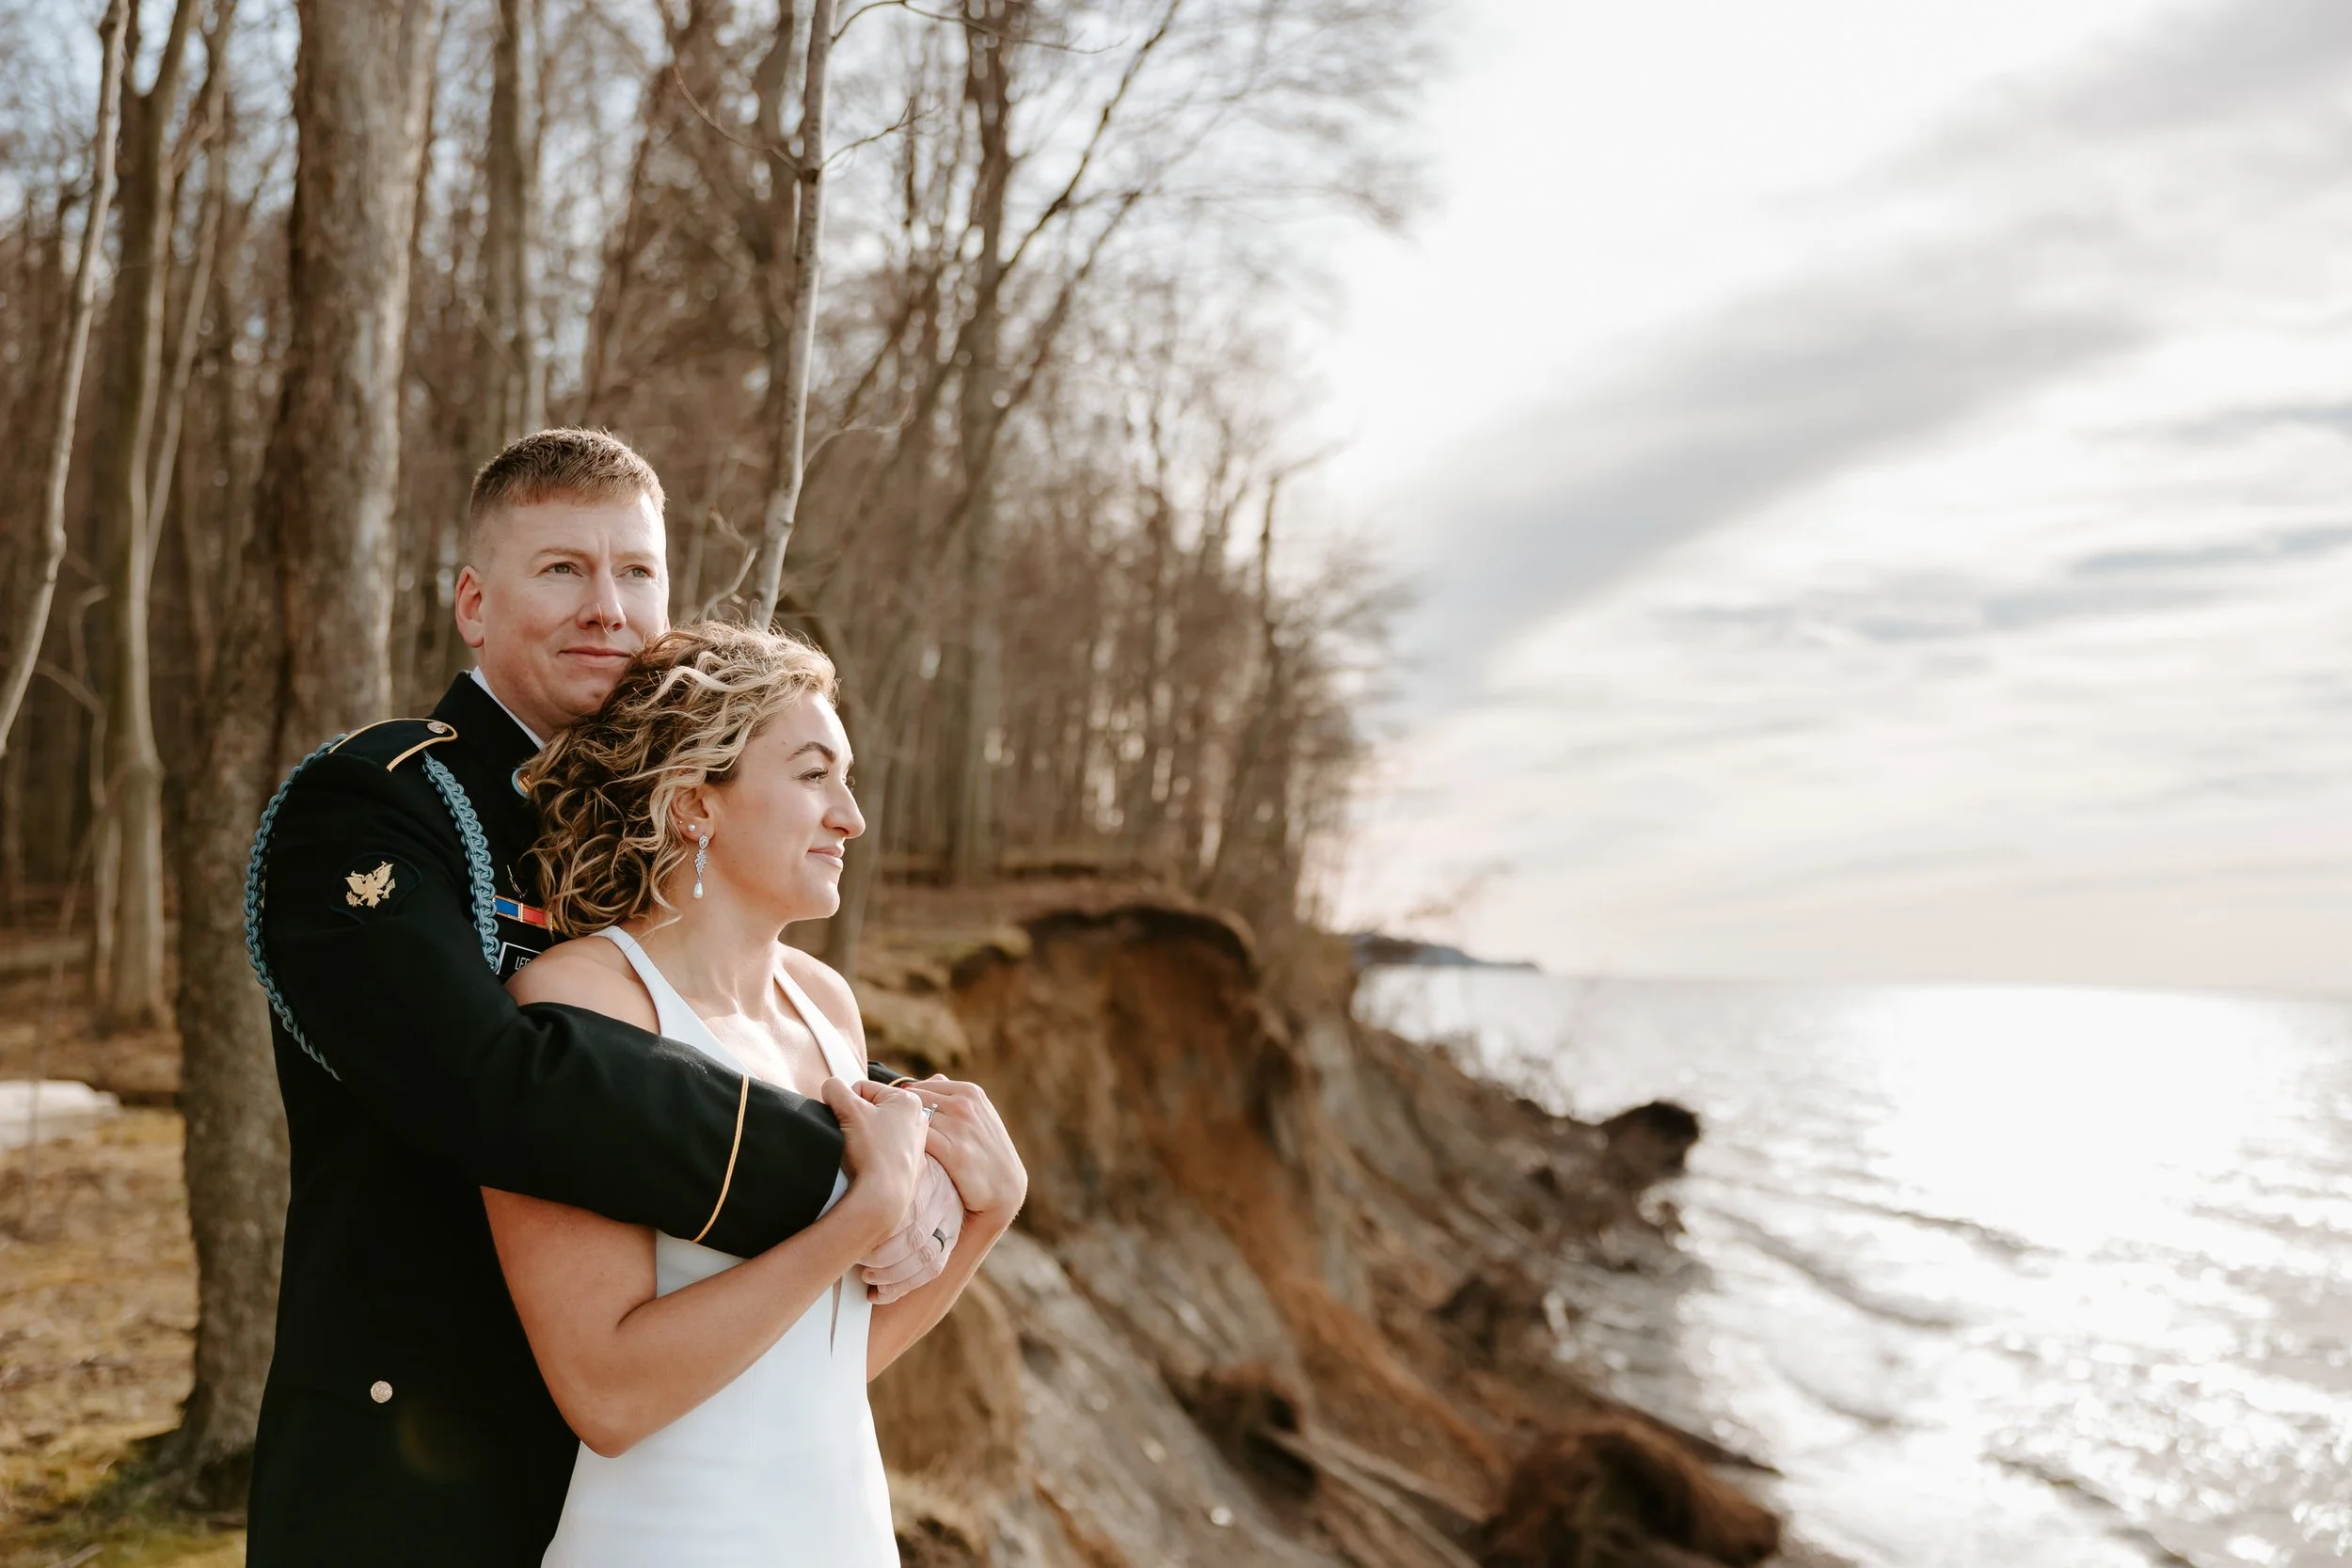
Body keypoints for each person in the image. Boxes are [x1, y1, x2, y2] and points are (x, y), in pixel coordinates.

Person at [244, 430, 963, 1567]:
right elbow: (487, 1080)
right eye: (563, 569)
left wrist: (910, 1160)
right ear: (474, 604)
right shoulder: (377, 807)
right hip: (424, 1447)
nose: (608, 609)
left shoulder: (655, 833)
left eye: (636, 572)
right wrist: (836, 1167)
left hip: (659, 1452)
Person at [490, 623, 1025, 1563]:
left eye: (846, 776)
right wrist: (864, 1215)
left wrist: (988, 1212)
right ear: (697, 803)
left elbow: (818, 1365)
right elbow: (606, 1394)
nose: (850, 815)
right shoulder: (587, 1001)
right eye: (814, 774)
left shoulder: (826, 1004)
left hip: (840, 1531)